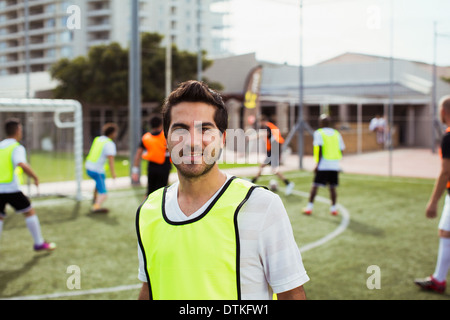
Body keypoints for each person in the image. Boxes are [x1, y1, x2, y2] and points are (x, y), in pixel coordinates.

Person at [136, 81, 309, 300]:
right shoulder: (149, 210)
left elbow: (291, 294)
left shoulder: (262, 205)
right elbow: (150, 288)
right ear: (167, 140)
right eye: (180, 129)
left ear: (222, 139)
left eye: (205, 130)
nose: (192, 142)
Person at [0, 118, 56, 251]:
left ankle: (39, 243)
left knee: (0, 216)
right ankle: (39, 243)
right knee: (29, 212)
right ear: (18, 131)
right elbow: (21, 164)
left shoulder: (0, 146)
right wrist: (34, 176)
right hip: (10, 188)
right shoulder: (16, 147)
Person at [414, 95, 450, 294]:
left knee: (445, 232)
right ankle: (439, 278)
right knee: (446, 233)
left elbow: (446, 171)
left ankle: (439, 280)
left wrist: (433, 202)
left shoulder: (448, 137)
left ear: (443, 111)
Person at [303, 114, 345, 216]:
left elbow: (320, 149)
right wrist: (336, 161)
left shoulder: (319, 133)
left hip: (323, 165)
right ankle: (333, 209)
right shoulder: (336, 133)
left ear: (321, 123)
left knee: (315, 186)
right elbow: (342, 149)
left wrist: (317, 164)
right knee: (332, 187)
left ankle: (309, 208)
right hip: (334, 165)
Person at [251, 115, 295, 196]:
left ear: (262, 121)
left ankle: (288, 184)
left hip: (273, 150)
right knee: (264, 167)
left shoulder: (267, 127)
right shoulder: (271, 126)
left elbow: (264, 134)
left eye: (260, 122)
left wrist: (252, 138)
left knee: (273, 169)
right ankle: (252, 182)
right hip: (273, 150)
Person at [131, 115, 171, 196]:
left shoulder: (146, 137)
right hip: (164, 166)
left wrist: (135, 170)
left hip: (152, 166)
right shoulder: (165, 136)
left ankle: (144, 207)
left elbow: (138, 154)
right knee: (163, 192)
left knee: (150, 191)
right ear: (161, 124)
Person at [85, 123, 117, 213]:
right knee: (104, 194)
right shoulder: (109, 144)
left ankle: (95, 198)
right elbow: (111, 160)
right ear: (112, 133)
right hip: (96, 170)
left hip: (88, 167)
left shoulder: (98, 139)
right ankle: (96, 206)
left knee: (99, 180)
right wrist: (113, 173)